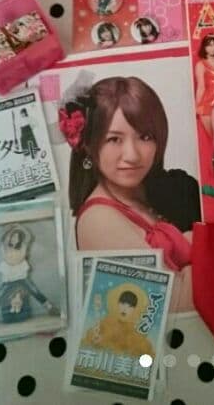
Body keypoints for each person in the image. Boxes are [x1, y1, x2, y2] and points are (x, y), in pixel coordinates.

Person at [60, 76, 200, 312]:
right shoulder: (98, 220)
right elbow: (170, 303)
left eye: (145, 137)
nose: (132, 155)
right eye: (114, 139)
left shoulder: (150, 192)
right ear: (88, 144)